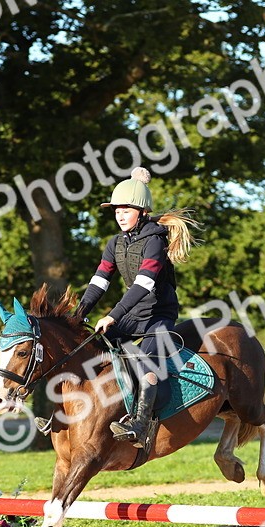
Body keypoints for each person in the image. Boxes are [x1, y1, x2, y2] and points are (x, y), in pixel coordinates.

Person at [62, 167, 199, 447]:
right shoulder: (114, 244)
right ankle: (64, 414)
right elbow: (99, 282)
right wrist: (79, 315)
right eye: (117, 211)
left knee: (146, 365)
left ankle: (140, 424)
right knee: (87, 350)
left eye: (126, 210)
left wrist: (112, 316)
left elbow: (143, 285)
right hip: (133, 315)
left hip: (158, 317)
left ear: (142, 212)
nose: (120, 216)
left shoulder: (155, 242)